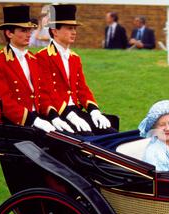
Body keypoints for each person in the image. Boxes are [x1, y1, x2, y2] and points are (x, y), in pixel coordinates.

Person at [36, 4, 115, 135]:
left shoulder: (74, 58)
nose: (74, 32)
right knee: (90, 142)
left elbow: (82, 88)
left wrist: (94, 110)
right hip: (58, 114)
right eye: (69, 28)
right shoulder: (42, 57)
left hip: (76, 111)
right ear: (55, 31)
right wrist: (70, 115)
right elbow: (48, 91)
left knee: (111, 135)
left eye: (74, 28)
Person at [0, 5, 65, 133]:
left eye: (29, 30)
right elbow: (5, 103)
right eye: (23, 30)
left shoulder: (33, 59)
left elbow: (42, 93)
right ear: (9, 33)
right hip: (12, 126)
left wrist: (53, 115)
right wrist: (34, 120)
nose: (29, 34)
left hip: (37, 121)